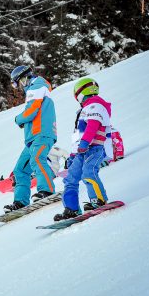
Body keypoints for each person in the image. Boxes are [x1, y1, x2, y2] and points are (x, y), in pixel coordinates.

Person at [54, 77, 112, 221]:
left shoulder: (96, 105)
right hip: (81, 152)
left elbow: (93, 126)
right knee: (70, 179)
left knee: (89, 173)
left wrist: (85, 143)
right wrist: (73, 154)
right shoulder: (85, 109)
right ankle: (71, 208)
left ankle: (98, 200)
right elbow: (78, 136)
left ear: (80, 93)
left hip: (94, 148)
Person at [4, 65, 57, 211]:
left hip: (41, 134)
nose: (19, 86)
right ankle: (20, 201)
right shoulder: (34, 90)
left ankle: (46, 190)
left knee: (37, 160)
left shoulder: (37, 86)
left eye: (18, 82)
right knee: (20, 170)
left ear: (25, 77)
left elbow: (31, 111)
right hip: (32, 138)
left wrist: (19, 119)